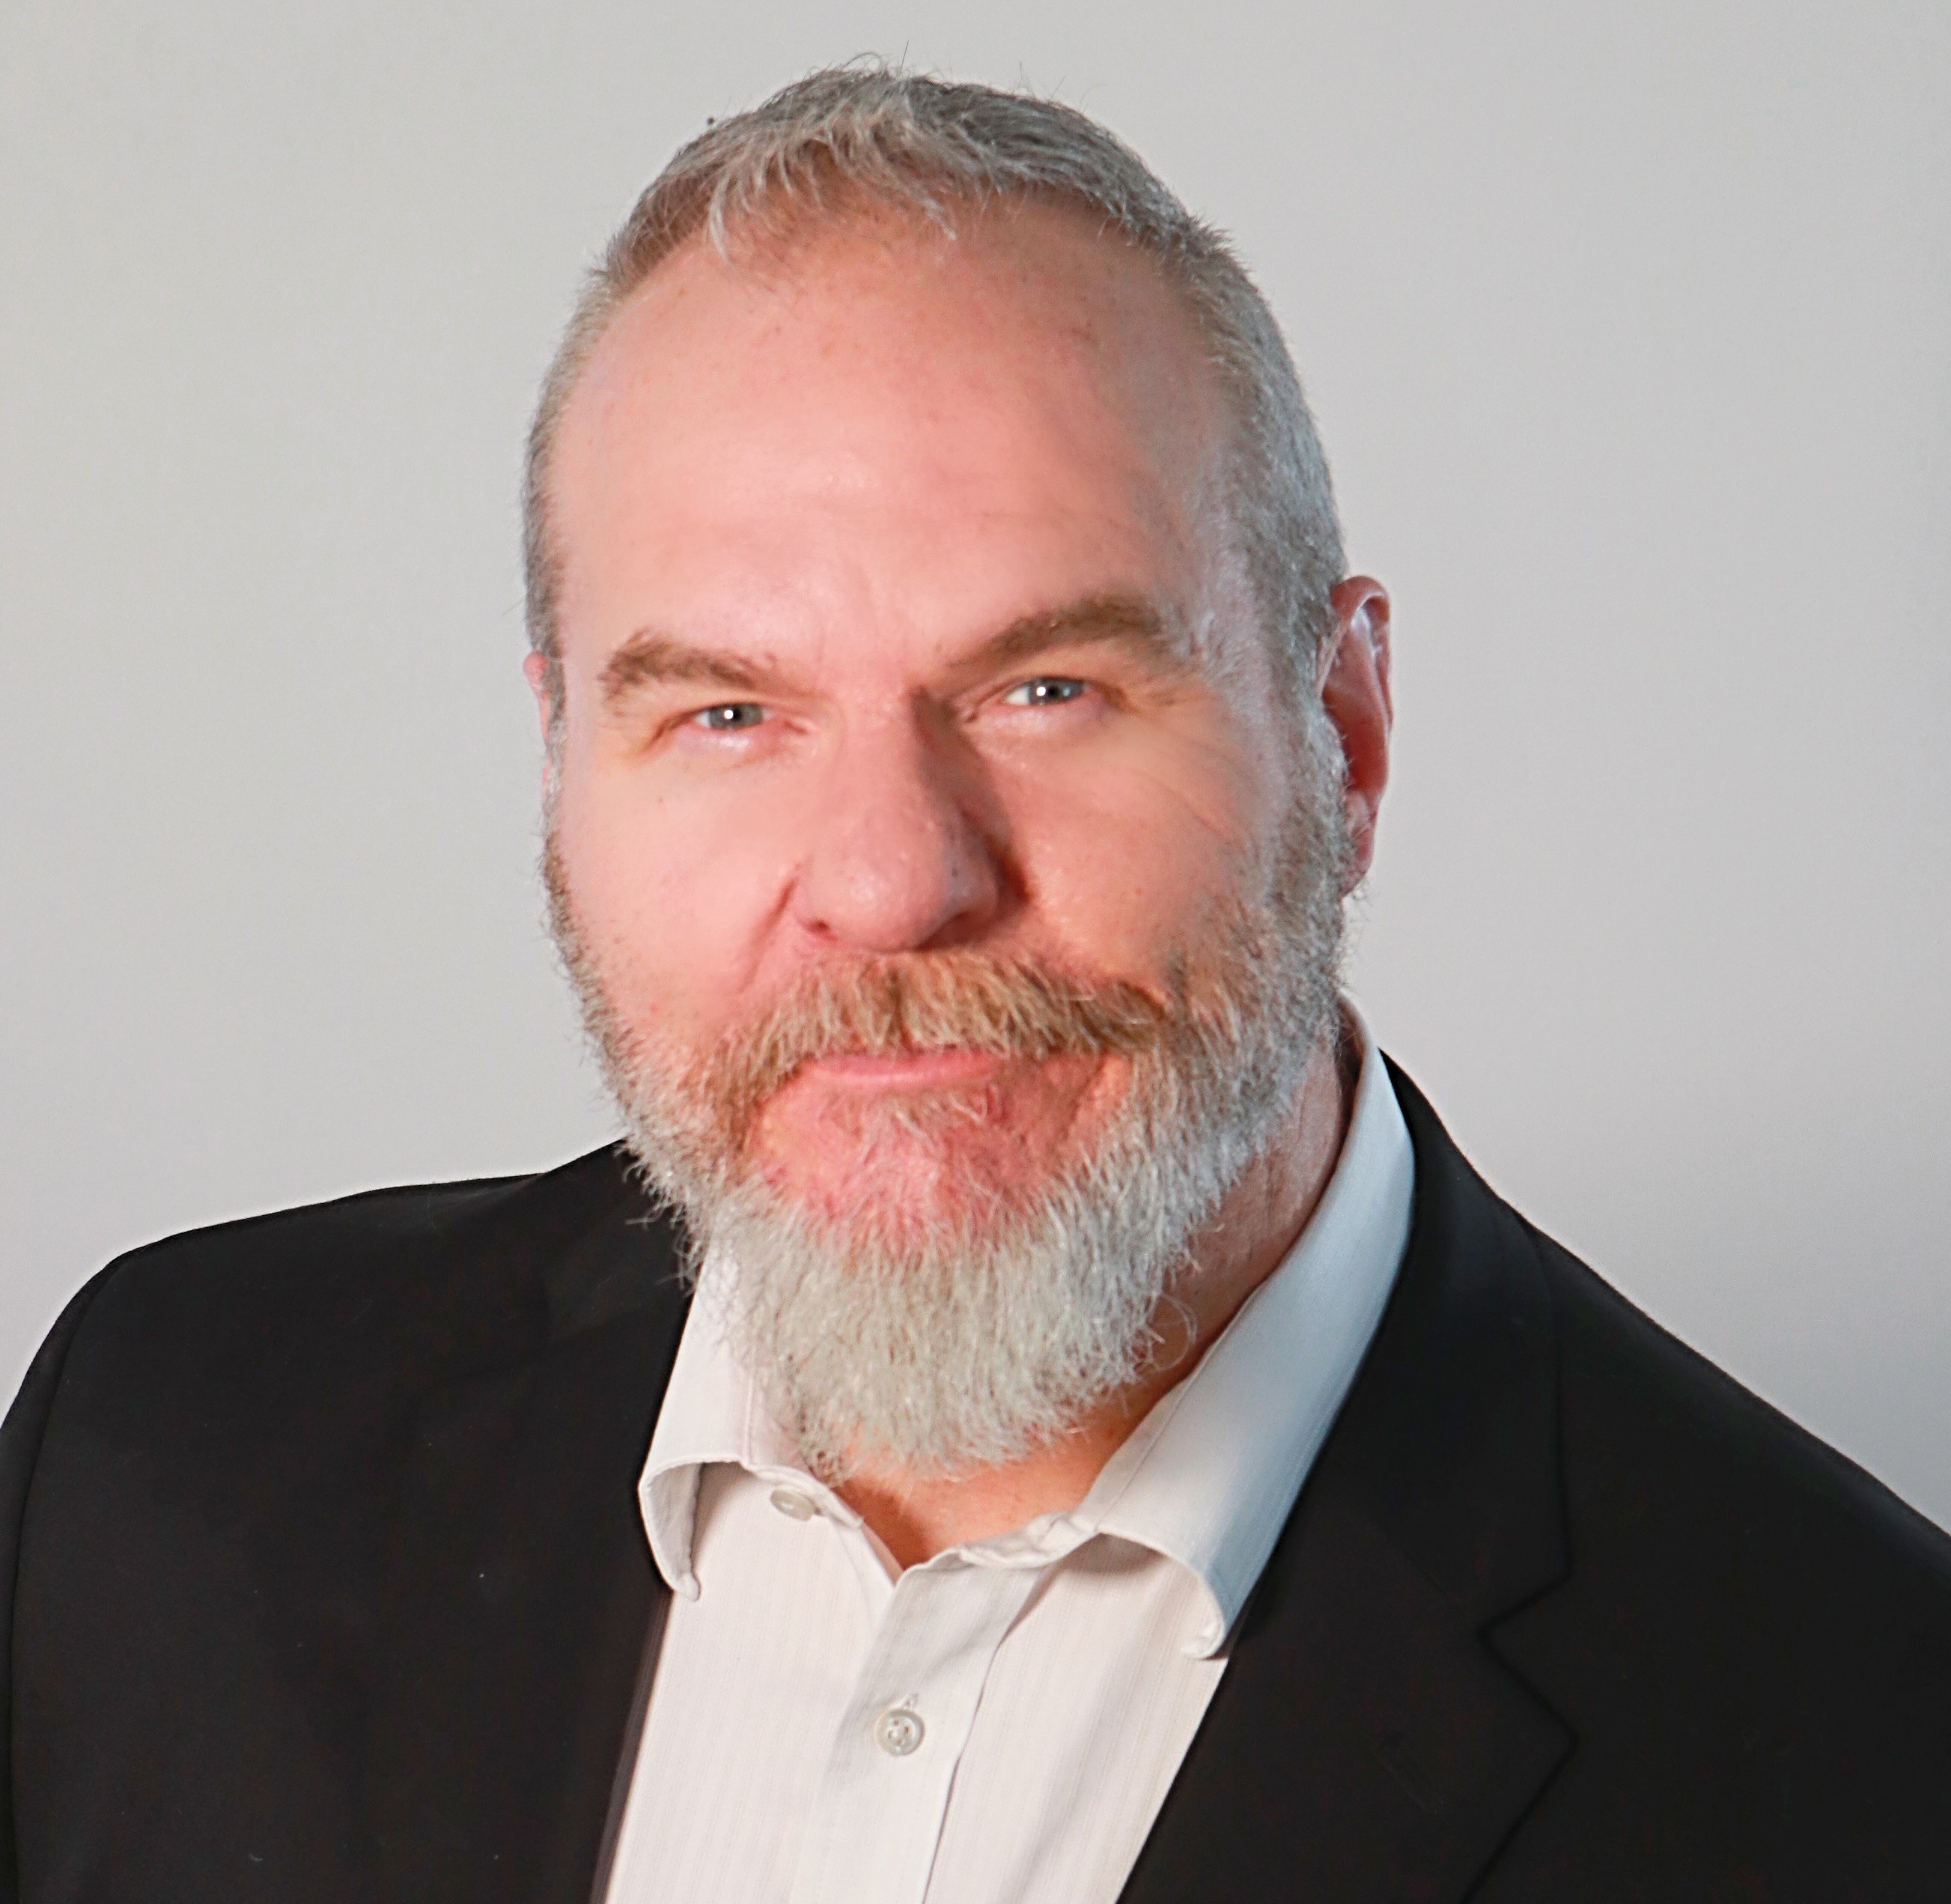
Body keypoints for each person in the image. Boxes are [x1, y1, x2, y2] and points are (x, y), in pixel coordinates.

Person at [2, 64, 1947, 1904]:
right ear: (562, 765)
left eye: (1048, 689)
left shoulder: (1871, 1749)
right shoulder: (157, 1455)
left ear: (1345, 735)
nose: (891, 884)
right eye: (728, 713)